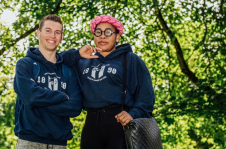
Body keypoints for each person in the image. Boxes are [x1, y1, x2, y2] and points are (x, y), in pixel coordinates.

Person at [62, 15, 155, 149]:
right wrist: (77, 54)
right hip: (91, 123)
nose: (102, 36)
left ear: (117, 37)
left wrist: (132, 114)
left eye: (108, 32)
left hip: (120, 122)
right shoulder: (83, 60)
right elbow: (57, 60)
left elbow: (146, 97)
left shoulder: (130, 59)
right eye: (98, 32)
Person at [14, 14, 85, 149]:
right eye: (48, 30)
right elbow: (31, 98)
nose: (52, 36)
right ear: (38, 34)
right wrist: (62, 97)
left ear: (61, 37)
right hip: (29, 142)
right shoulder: (25, 65)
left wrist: (38, 100)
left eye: (57, 32)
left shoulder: (68, 70)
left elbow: (75, 107)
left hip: (59, 144)